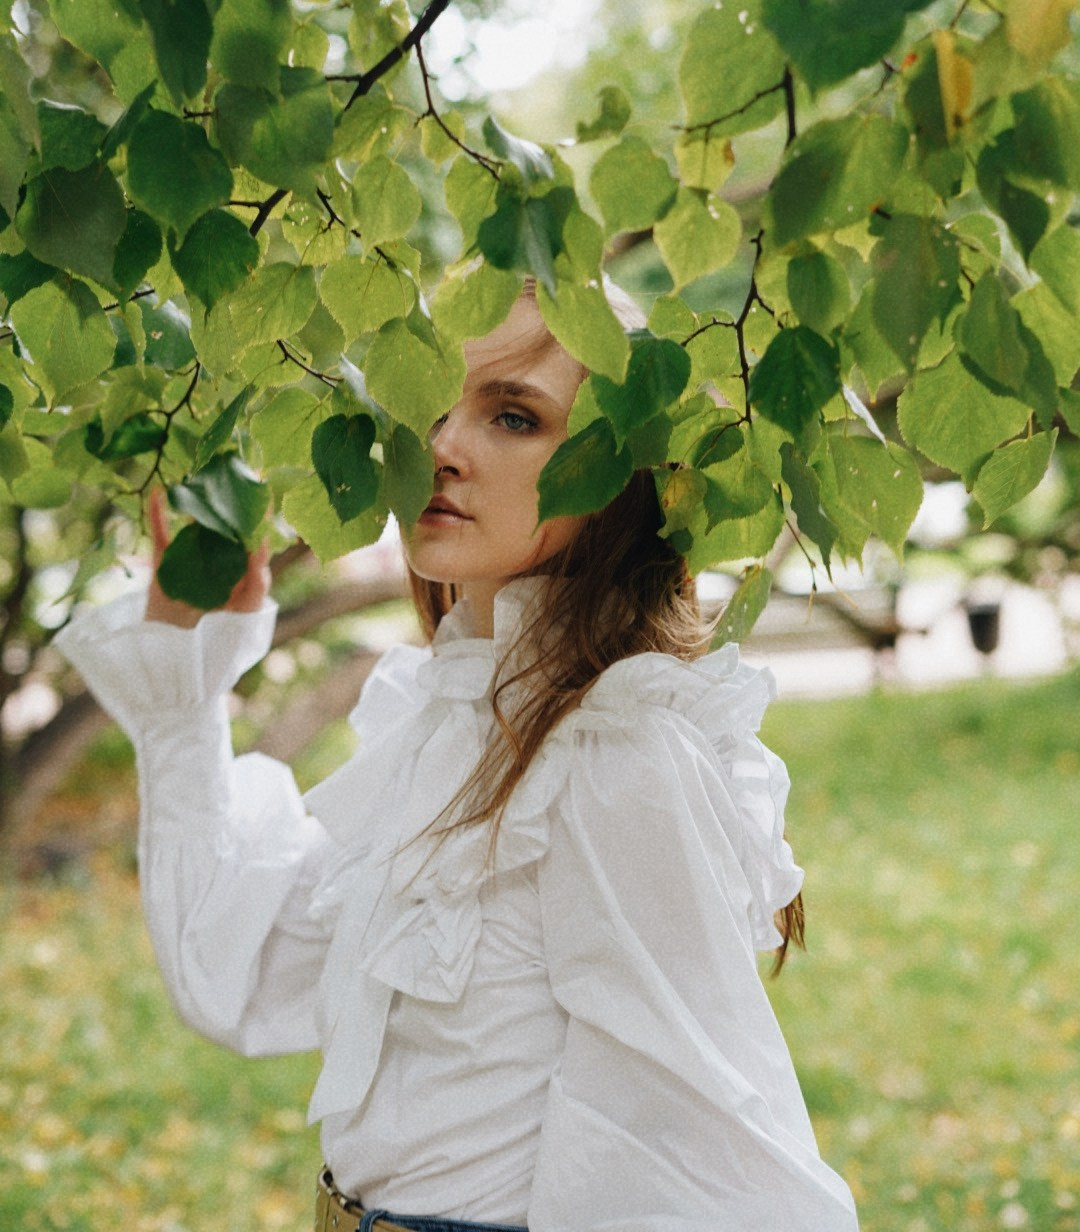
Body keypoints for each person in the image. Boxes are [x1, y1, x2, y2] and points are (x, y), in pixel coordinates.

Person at [56, 283, 860, 1232]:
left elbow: (702, 1143)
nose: (441, 446)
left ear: (623, 477)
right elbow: (239, 969)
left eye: (514, 416)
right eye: (432, 404)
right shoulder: (446, 720)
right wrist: (185, 685)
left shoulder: (613, 751)